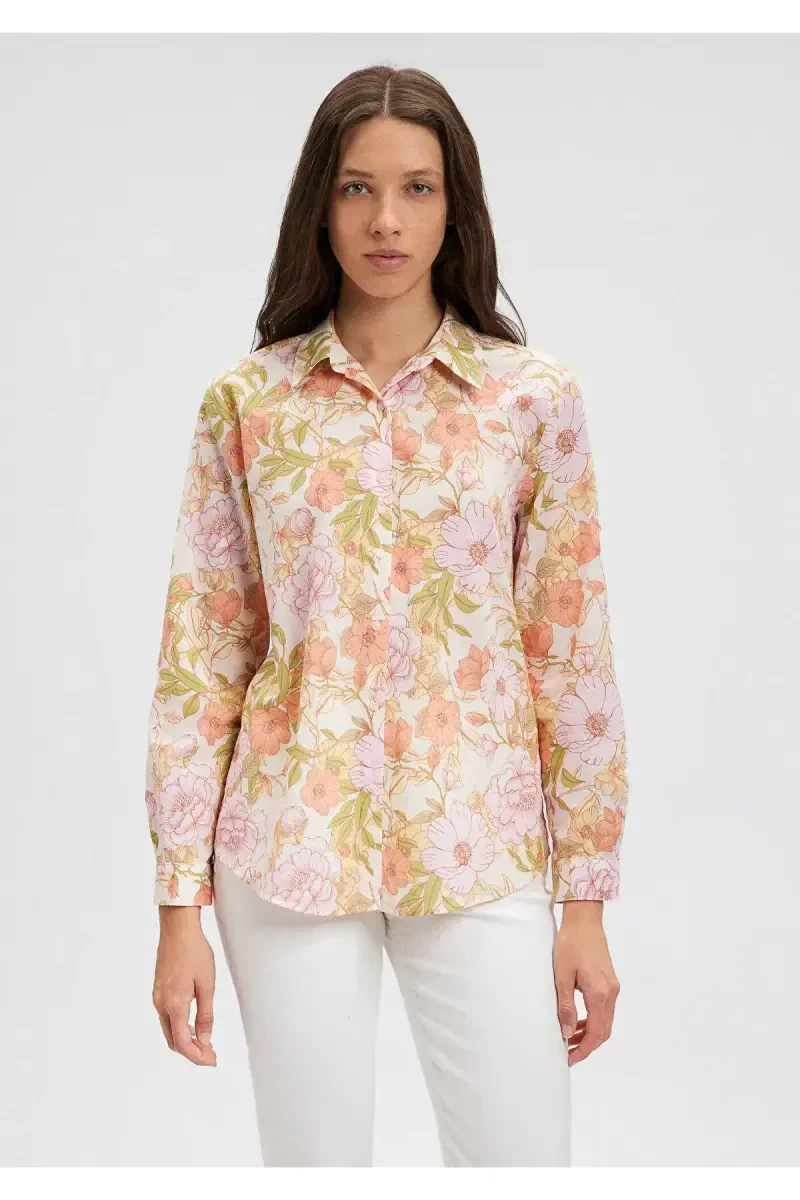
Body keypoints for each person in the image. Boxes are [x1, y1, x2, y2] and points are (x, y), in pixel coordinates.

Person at [146, 63, 629, 1168]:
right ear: (319, 203)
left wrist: (585, 902)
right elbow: (203, 655)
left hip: (480, 842)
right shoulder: (248, 404)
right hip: (287, 845)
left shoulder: (530, 399)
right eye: (357, 187)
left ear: (455, 205)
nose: (385, 221)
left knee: (520, 1164)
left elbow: (570, 653)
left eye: (417, 188)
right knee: (314, 1169)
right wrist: (179, 910)